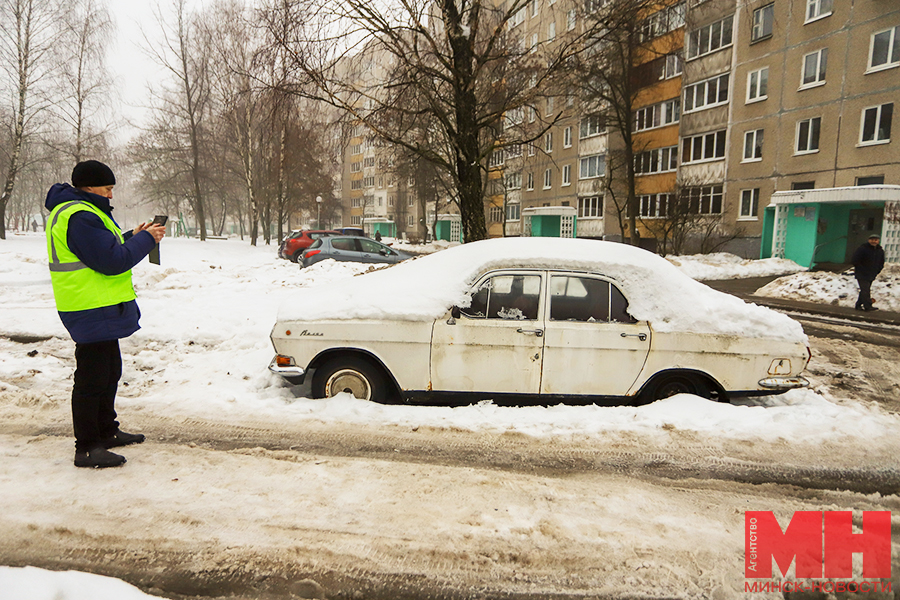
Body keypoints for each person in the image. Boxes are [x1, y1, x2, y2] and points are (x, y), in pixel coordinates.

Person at [45, 160, 166, 468]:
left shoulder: (87, 212)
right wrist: (145, 241)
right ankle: (86, 446)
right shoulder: (79, 215)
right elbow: (111, 262)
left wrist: (133, 235)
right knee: (92, 378)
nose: (111, 195)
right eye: (108, 188)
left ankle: (106, 431)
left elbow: (104, 249)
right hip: (87, 306)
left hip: (98, 306)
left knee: (110, 370)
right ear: (89, 186)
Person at [851, 233, 885, 312]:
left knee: (865, 290)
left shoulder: (880, 251)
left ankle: (858, 304)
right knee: (866, 290)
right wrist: (861, 269)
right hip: (861, 273)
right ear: (869, 240)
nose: (874, 241)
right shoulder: (862, 249)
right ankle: (868, 306)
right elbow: (855, 260)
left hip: (872, 274)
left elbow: (881, 262)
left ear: (878, 241)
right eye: (872, 240)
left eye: (876, 240)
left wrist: (878, 270)